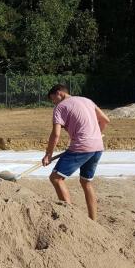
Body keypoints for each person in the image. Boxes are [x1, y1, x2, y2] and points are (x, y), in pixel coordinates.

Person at [42, 84, 110, 220]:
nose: (53, 102)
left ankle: (70, 219)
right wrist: (95, 135)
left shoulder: (60, 107)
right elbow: (105, 120)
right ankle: (93, 220)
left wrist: (48, 154)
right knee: (86, 182)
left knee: (56, 178)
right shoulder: (87, 100)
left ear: (59, 93)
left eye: (53, 99)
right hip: (97, 146)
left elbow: (56, 134)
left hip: (81, 147)